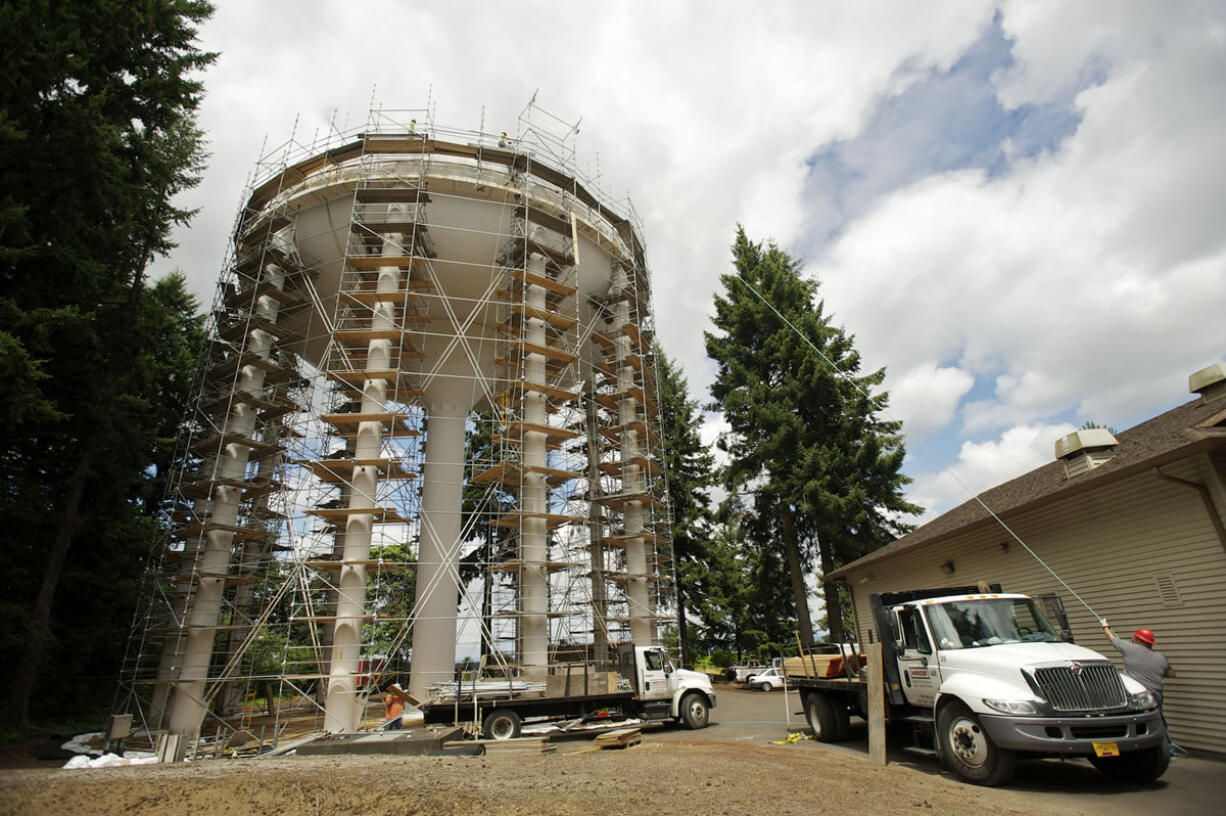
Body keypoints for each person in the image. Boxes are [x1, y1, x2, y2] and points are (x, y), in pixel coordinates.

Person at [1101, 618, 1177, 755]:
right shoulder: (1160, 657)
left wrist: (1105, 625)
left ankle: (1136, 750)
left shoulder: (1130, 649)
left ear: (1140, 640)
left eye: (1135, 638)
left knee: (1132, 721)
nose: (1132, 639)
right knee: (1159, 722)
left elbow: (1110, 637)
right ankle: (1169, 750)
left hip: (1138, 695)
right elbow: (1171, 674)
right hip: (1156, 696)